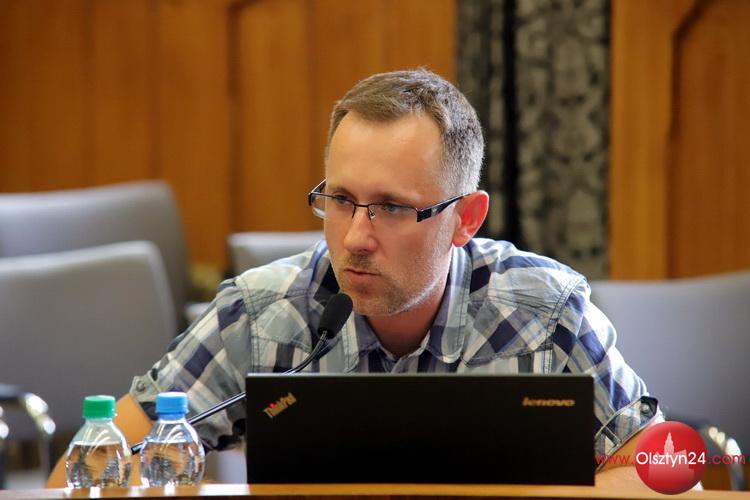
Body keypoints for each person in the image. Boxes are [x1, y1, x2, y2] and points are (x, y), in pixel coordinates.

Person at [49, 69, 660, 487]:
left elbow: (662, 469)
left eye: (391, 207)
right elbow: (85, 473)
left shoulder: (545, 313)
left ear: (465, 219)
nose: (355, 238)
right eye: (340, 200)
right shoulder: (263, 314)